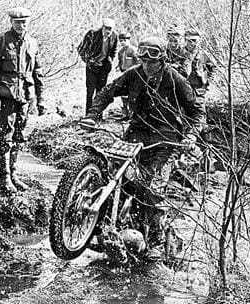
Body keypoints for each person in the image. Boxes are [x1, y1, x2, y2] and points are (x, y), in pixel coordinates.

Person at [80, 36, 206, 253]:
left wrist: (191, 136)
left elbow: (197, 111)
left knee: (153, 189)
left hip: (165, 140)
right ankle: (101, 229)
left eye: (152, 62)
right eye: (144, 61)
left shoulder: (175, 79)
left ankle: (156, 245)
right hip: (136, 135)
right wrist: (92, 115)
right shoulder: (134, 73)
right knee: (115, 178)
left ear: (162, 60)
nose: (147, 66)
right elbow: (106, 92)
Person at [0, 6, 46, 195]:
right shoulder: (1, 40)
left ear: (29, 22)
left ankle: (14, 174)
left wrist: (41, 99)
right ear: (11, 22)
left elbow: (38, 73)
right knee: (4, 136)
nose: (21, 25)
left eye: (24, 21)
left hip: (24, 98)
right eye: (18, 22)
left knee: (19, 136)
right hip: (5, 98)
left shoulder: (32, 43)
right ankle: (3, 177)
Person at [77, 18, 118, 115]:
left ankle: (98, 114)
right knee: (90, 91)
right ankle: (88, 115)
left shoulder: (114, 36)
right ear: (102, 27)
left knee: (101, 92)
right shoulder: (92, 34)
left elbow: (114, 50)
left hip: (104, 67)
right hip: (92, 67)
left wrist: (110, 60)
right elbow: (81, 49)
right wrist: (89, 61)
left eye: (110, 29)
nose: (108, 31)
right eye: (106, 28)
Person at [183, 28, 216, 100]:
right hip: (183, 87)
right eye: (189, 41)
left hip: (199, 88)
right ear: (185, 41)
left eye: (194, 41)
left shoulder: (203, 54)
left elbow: (213, 68)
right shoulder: (181, 53)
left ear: (198, 41)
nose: (191, 43)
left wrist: (208, 83)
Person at [117, 31, 139, 119]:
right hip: (124, 74)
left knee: (132, 94)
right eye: (121, 40)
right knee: (123, 94)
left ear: (128, 40)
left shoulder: (133, 50)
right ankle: (125, 114)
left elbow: (137, 63)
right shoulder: (121, 52)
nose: (122, 42)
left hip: (133, 75)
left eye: (124, 40)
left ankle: (132, 114)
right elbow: (120, 63)